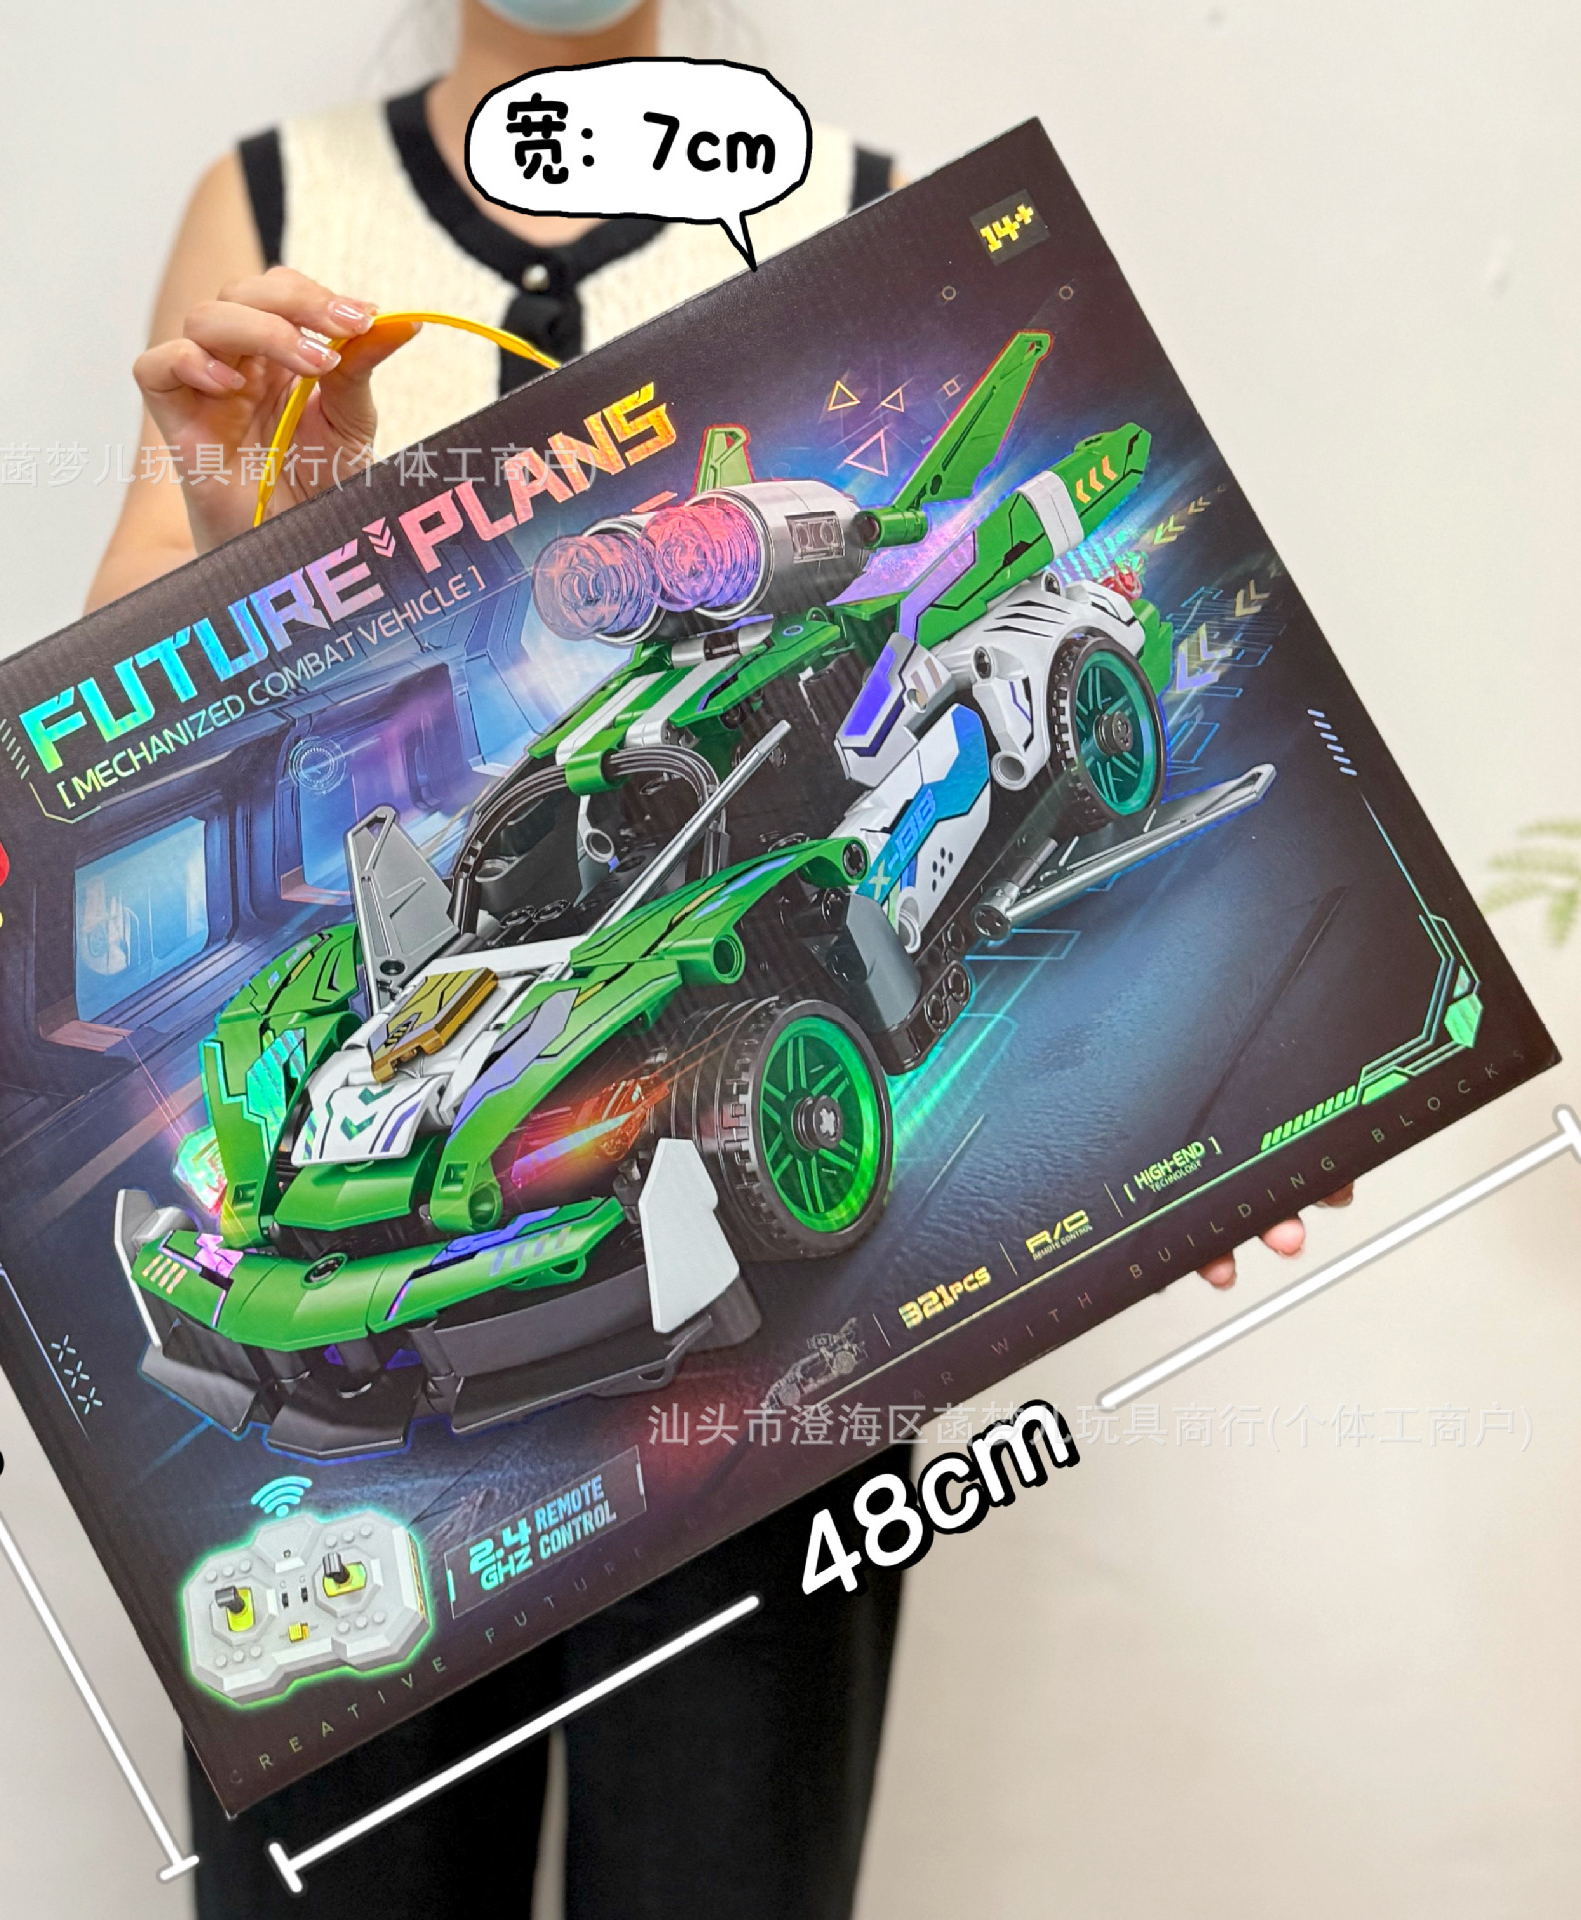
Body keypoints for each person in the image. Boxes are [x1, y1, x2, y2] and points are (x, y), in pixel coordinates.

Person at [89, 4, 1348, 1911]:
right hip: (376, 1456)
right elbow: (91, 732)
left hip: (773, 1406)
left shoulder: (867, 211)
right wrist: (234, 532)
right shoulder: (275, 200)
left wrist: (1281, 1104)